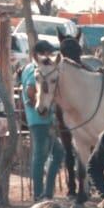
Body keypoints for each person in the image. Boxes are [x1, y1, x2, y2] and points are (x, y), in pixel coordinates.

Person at [21, 40, 65, 198]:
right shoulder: (34, 68)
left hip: (45, 119)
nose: (49, 56)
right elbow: (31, 91)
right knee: (40, 156)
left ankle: (47, 192)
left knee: (59, 154)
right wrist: (43, 112)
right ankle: (39, 194)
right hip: (38, 119)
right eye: (47, 53)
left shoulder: (38, 67)